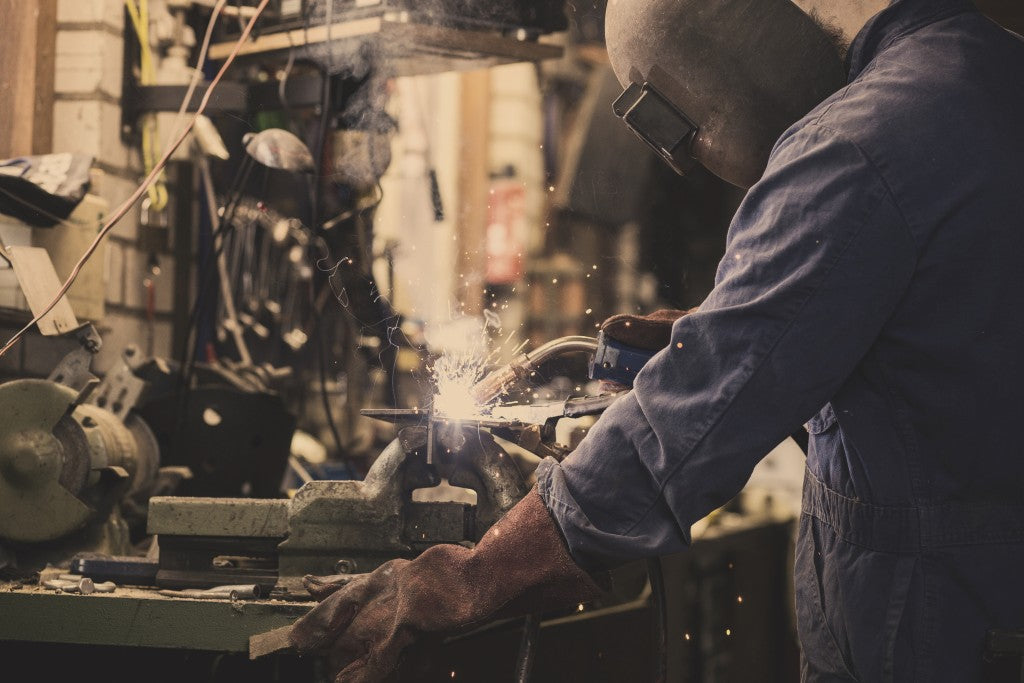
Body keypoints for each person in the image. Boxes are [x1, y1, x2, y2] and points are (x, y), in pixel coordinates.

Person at [284, 0, 1024, 680]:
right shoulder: (984, 70)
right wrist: (717, 327)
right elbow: (940, 364)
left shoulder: (855, 146)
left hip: (946, 629)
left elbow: (685, 422)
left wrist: (472, 576)